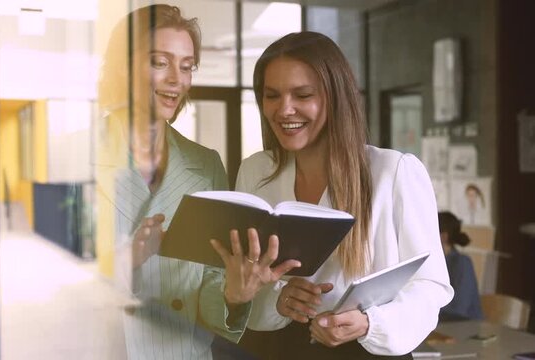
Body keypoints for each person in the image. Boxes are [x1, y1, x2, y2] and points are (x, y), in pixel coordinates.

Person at [95, 5, 299, 359]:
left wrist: (234, 295)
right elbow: (45, 283)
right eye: (160, 62)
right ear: (122, 68)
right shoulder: (80, 156)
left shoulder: (205, 165)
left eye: (187, 66)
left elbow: (208, 284)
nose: (177, 78)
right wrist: (124, 260)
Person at [234, 31, 454, 359]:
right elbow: (243, 283)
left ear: (335, 97)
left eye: (303, 94)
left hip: (367, 351)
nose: (285, 110)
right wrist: (278, 301)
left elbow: (431, 286)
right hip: (277, 349)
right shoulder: (256, 171)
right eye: (272, 95)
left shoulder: (394, 171)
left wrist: (369, 323)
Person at [438, 211, 483, 321]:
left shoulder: (462, 263)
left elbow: (459, 309)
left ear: (444, 237)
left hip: (466, 329)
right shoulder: (436, 264)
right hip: (445, 327)